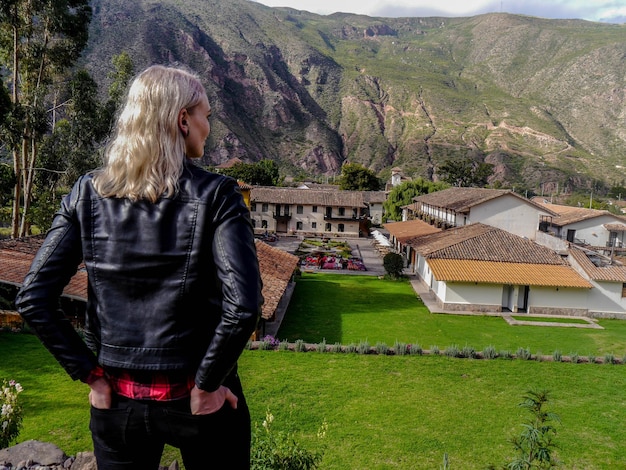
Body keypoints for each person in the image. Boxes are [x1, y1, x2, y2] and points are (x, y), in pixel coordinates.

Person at [16, 64, 264, 469]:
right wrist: (207, 384)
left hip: (118, 402)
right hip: (198, 401)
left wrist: (91, 375)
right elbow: (244, 307)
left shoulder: (86, 194)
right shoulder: (218, 195)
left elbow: (33, 298)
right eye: (206, 115)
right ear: (183, 120)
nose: (208, 126)